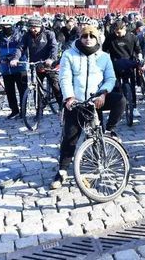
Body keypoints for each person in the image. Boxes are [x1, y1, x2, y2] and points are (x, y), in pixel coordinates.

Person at [51, 25, 125, 189]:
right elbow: (64, 78)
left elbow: (110, 78)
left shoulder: (104, 57)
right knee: (70, 138)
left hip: (95, 100)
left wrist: (103, 93)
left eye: (92, 36)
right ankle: (62, 171)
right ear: (80, 37)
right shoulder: (69, 55)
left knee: (120, 100)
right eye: (85, 36)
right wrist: (69, 97)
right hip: (76, 103)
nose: (88, 39)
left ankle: (110, 131)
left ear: (97, 38)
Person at [13, 17, 63, 107]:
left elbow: (54, 47)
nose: (33, 29)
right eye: (31, 27)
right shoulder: (27, 35)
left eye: (35, 27)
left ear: (40, 26)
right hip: (35, 64)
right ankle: (39, 110)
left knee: (55, 85)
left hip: (49, 64)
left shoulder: (49, 34)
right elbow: (20, 47)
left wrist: (51, 59)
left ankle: (62, 107)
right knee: (37, 88)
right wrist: (15, 58)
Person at [0, 17, 27, 119]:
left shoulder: (20, 36)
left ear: (13, 26)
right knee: (9, 91)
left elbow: (25, 47)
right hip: (5, 68)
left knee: (22, 90)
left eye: (7, 27)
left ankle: (23, 111)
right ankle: (14, 110)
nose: (5, 29)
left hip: (20, 67)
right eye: (3, 27)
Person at [102, 20, 143, 116]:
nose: (117, 33)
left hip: (129, 63)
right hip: (114, 64)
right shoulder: (110, 37)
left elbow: (138, 50)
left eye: (118, 31)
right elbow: (104, 50)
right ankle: (116, 109)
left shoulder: (132, 37)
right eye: (115, 31)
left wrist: (140, 58)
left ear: (124, 28)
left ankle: (134, 107)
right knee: (114, 86)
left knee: (131, 85)